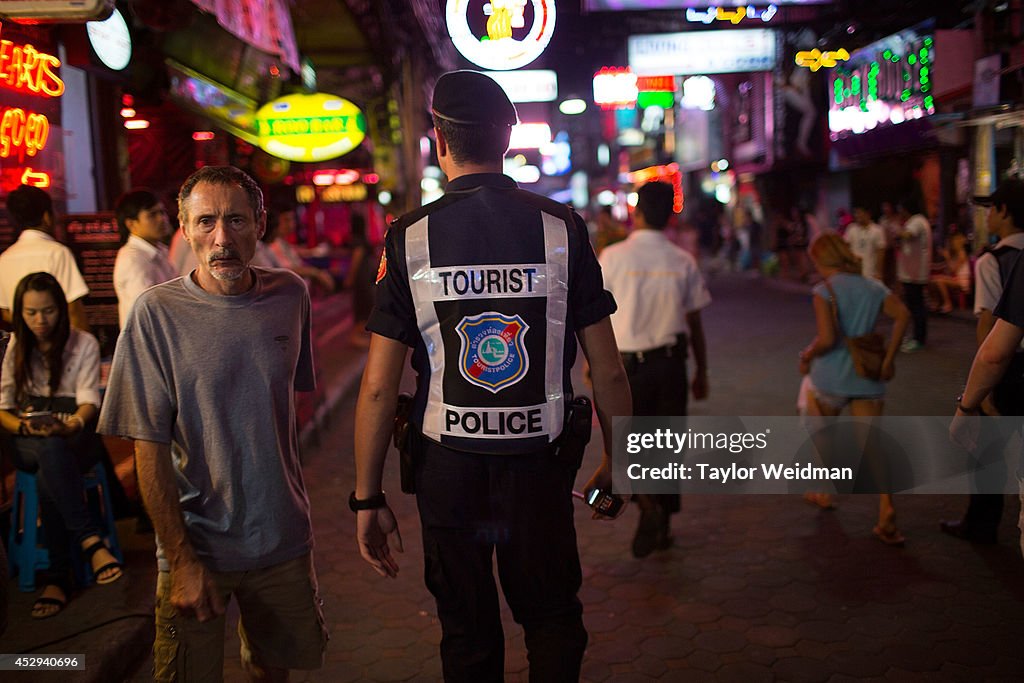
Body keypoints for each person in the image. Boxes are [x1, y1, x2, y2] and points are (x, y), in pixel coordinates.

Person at [353, 70, 631, 682]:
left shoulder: (409, 238)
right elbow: (607, 368)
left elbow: (377, 385)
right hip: (540, 465)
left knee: (468, 632)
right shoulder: (562, 229)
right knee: (553, 617)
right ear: (507, 140)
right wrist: (621, 459)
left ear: (438, 140)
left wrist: (367, 496)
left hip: (447, 470)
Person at [98, 166, 327, 682]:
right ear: (183, 226)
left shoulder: (290, 296)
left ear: (260, 223)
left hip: (283, 539)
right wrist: (179, 559)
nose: (221, 238)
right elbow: (148, 445)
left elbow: (281, 410)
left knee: (273, 671)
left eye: (236, 220)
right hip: (196, 545)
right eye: (205, 222)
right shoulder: (155, 313)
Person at [0, 273, 122, 619]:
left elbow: (88, 403)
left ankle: (58, 577)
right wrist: (27, 426)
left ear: (61, 308)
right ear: (19, 313)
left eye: (49, 311)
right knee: (48, 453)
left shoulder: (82, 342)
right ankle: (91, 541)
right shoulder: (15, 348)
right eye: (31, 313)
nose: (41, 321)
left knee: (50, 461)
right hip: (26, 435)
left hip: (74, 431)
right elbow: (2, 408)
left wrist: (69, 425)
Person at [599, 180, 710, 558]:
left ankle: (648, 507)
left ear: (637, 212)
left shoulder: (613, 258)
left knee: (628, 446)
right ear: (670, 216)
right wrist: (703, 372)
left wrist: (592, 366)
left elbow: (597, 323)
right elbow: (694, 322)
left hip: (626, 367)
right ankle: (662, 517)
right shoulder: (682, 260)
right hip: (671, 365)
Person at [798, 233, 910, 542]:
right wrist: (888, 359)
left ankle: (825, 491)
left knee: (822, 433)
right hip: (867, 377)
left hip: (829, 378)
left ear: (822, 259)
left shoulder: (824, 291)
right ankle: (887, 508)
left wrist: (806, 356)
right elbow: (903, 315)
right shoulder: (874, 287)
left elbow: (826, 339)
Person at [943, 180, 1024, 544]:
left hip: (1012, 372)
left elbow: (990, 333)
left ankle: (982, 524)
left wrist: (973, 398)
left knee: (988, 451)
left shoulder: (994, 259)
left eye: (991, 208)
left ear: (1005, 212)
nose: (988, 216)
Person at [0, 185, 90, 331]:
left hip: (22, 347)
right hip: (59, 346)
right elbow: (73, 310)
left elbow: (6, 313)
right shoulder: (58, 253)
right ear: (47, 217)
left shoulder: (4, 258)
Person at [113, 189, 178, 329]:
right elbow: (147, 311)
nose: (162, 219)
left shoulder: (160, 251)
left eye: (163, 212)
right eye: (152, 215)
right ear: (131, 224)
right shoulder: (132, 258)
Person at [266, 207, 335, 295]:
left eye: (292, 220)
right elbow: (285, 270)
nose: (291, 224)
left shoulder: (284, 243)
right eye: (286, 220)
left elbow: (301, 256)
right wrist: (315, 273)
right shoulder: (271, 244)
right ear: (275, 223)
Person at [896, 197, 932, 352]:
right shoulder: (918, 220)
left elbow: (908, 235)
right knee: (915, 306)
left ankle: (919, 339)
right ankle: (916, 337)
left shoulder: (916, 221)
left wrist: (896, 232)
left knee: (916, 306)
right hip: (913, 271)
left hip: (915, 272)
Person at [342, 212, 379, 348]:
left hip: (361, 278)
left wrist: (350, 277)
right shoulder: (364, 239)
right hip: (366, 277)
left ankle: (358, 337)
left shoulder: (357, 240)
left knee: (362, 306)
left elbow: (357, 258)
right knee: (365, 305)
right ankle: (360, 337)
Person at [929, 233, 971, 314]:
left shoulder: (962, 254)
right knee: (933, 280)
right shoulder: (956, 254)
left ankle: (947, 303)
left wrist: (947, 257)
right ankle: (936, 302)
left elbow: (953, 270)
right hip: (955, 278)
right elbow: (949, 270)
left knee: (939, 281)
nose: (952, 244)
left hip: (962, 282)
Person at [844, 207, 886, 281]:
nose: (857, 215)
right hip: (854, 272)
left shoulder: (877, 230)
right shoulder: (851, 228)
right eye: (856, 213)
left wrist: (879, 272)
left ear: (868, 214)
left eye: (860, 213)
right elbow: (845, 248)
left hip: (870, 272)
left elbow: (881, 252)